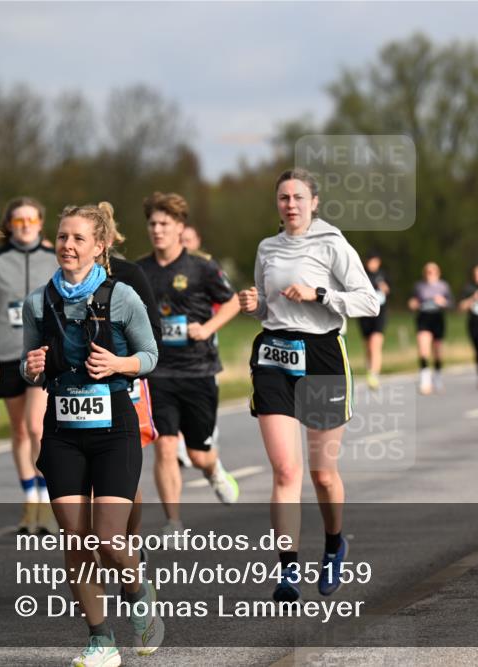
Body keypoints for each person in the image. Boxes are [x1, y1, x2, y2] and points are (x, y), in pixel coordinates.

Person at [21, 203, 163, 664]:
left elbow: (149, 355)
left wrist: (118, 364)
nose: (67, 245)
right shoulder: (38, 302)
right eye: (62, 237)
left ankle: (139, 592)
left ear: (99, 246)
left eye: (78, 238)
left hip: (115, 426)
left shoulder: (122, 296)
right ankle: (100, 638)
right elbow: (29, 368)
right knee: (76, 539)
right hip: (62, 428)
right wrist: (31, 367)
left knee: (107, 538)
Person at [237, 168, 379, 602]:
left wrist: (321, 294)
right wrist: (254, 305)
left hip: (321, 357)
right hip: (274, 356)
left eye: (298, 197)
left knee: (321, 474)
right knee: (285, 470)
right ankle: (287, 572)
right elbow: (268, 309)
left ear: (314, 202)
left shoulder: (332, 244)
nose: (291, 205)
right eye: (283, 198)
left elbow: (368, 301)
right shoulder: (268, 247)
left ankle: (335, 543)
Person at [135, 192, 241, 538]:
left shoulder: (202, 267)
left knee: (197, 454)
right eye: (152, 223)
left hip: (199, 370)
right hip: (158, 373)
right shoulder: (140, 271)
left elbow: (232, 302)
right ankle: (174, 522)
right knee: (165, 445)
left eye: (164, 223)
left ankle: (213, 470)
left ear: (180, 227)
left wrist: (206, 328)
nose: (157, 230)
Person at [0, 197, 58, 535]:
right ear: (9, 225)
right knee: (19, 429)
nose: (24, 227)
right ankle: (30, 502)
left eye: (30, 220)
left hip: (43, 352)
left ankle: (47, 503)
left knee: (37, 427)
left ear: (40, 222)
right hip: (6, 352)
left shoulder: (53, 258)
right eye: (18, 221)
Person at [408, 262, 452, 395]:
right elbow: (412, 302)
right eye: (427, 272)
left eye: (432, 272)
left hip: (437, 319)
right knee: (423, 349)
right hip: (423, 319)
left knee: (437, 351)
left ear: (438, 273)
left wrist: (443, 302)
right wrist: (413, 304)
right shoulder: (419, 286)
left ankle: (437, 377)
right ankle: (425, 380)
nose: (429, 275)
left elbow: (451, 303)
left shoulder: (443, 286)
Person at [358, 250, 391, 390]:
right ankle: (369, 368)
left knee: (375, 343)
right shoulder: (361, 274)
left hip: (380, 313)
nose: (373, 264)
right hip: (365, 313)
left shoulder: (383, 275)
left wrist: (385, 288)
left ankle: (374, 374)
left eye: (375, 261)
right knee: (368, 346)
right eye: (371, 261)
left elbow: (389, 290)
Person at [459, 263, 478, 392]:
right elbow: (461, 307)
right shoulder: (469, 288)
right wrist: (473, 298)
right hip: (474, 323)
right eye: (476, 273)